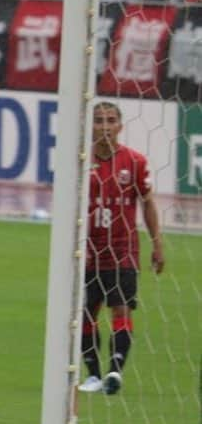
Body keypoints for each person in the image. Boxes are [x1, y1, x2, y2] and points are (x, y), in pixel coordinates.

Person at [78, 102, 164, 396]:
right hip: (86, 253)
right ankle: (92, 375)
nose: (104, 126)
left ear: (120, 126)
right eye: (99, 120)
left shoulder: (135, 162)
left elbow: (148, 202)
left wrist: (157, 243)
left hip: (122, 251)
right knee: (86, 313)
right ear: (91, 126)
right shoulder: (79, 161)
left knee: (121, 308)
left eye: (110, 120)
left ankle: (114, 371)